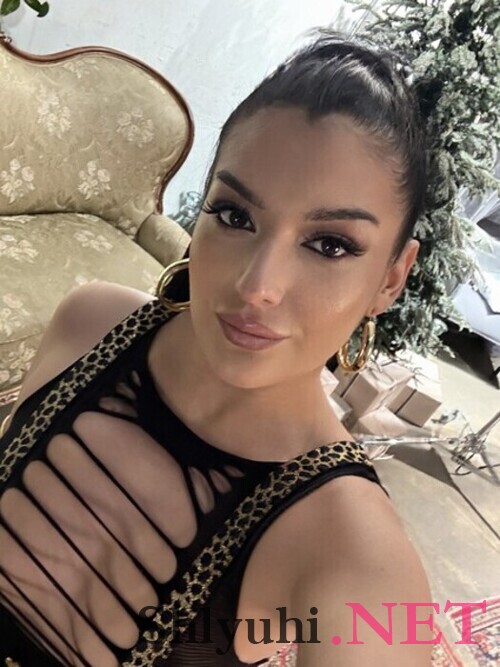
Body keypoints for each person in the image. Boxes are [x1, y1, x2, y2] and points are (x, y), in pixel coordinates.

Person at [0, 30, 436, 667]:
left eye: (330, 245)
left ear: (391, 278)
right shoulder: (87, 322)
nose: (257, 286)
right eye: (235, 215)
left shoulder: (355, 553)